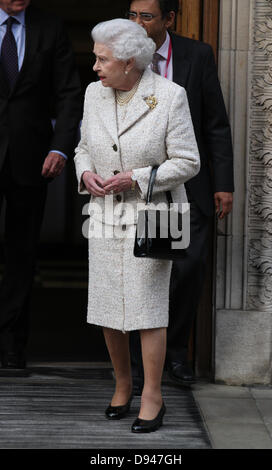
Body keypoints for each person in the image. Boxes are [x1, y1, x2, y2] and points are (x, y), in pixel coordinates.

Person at [74, 18, 200, 433]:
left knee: (148, 310)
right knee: (108, 306)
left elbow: (188, 162)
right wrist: (85, 173)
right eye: (96, 58)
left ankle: (153, 394)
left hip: (155, 217)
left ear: (129, 62)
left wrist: (136, 177)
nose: (95, 66)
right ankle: (123, 384)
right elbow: (82, 147)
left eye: (102, 59)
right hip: (106, 214)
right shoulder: (94, 93)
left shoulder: (169, 96)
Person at [127, 0, 234, 391]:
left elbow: (215, 122)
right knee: (145, 273)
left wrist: (223, 183)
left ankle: (176, 354)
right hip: (142, 185)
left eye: (147, 16)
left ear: (170, 19)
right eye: (133, 15)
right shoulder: (122, 54)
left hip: (189, 187)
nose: (137, 23)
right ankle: (139, 363)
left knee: (186, 271)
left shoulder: (196, 55)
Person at [0, 0, 81, 373]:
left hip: (32, 156)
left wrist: (60, 145)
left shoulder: (49, 26)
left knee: (22, 255)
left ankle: (12, 347)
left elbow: (68, 92)